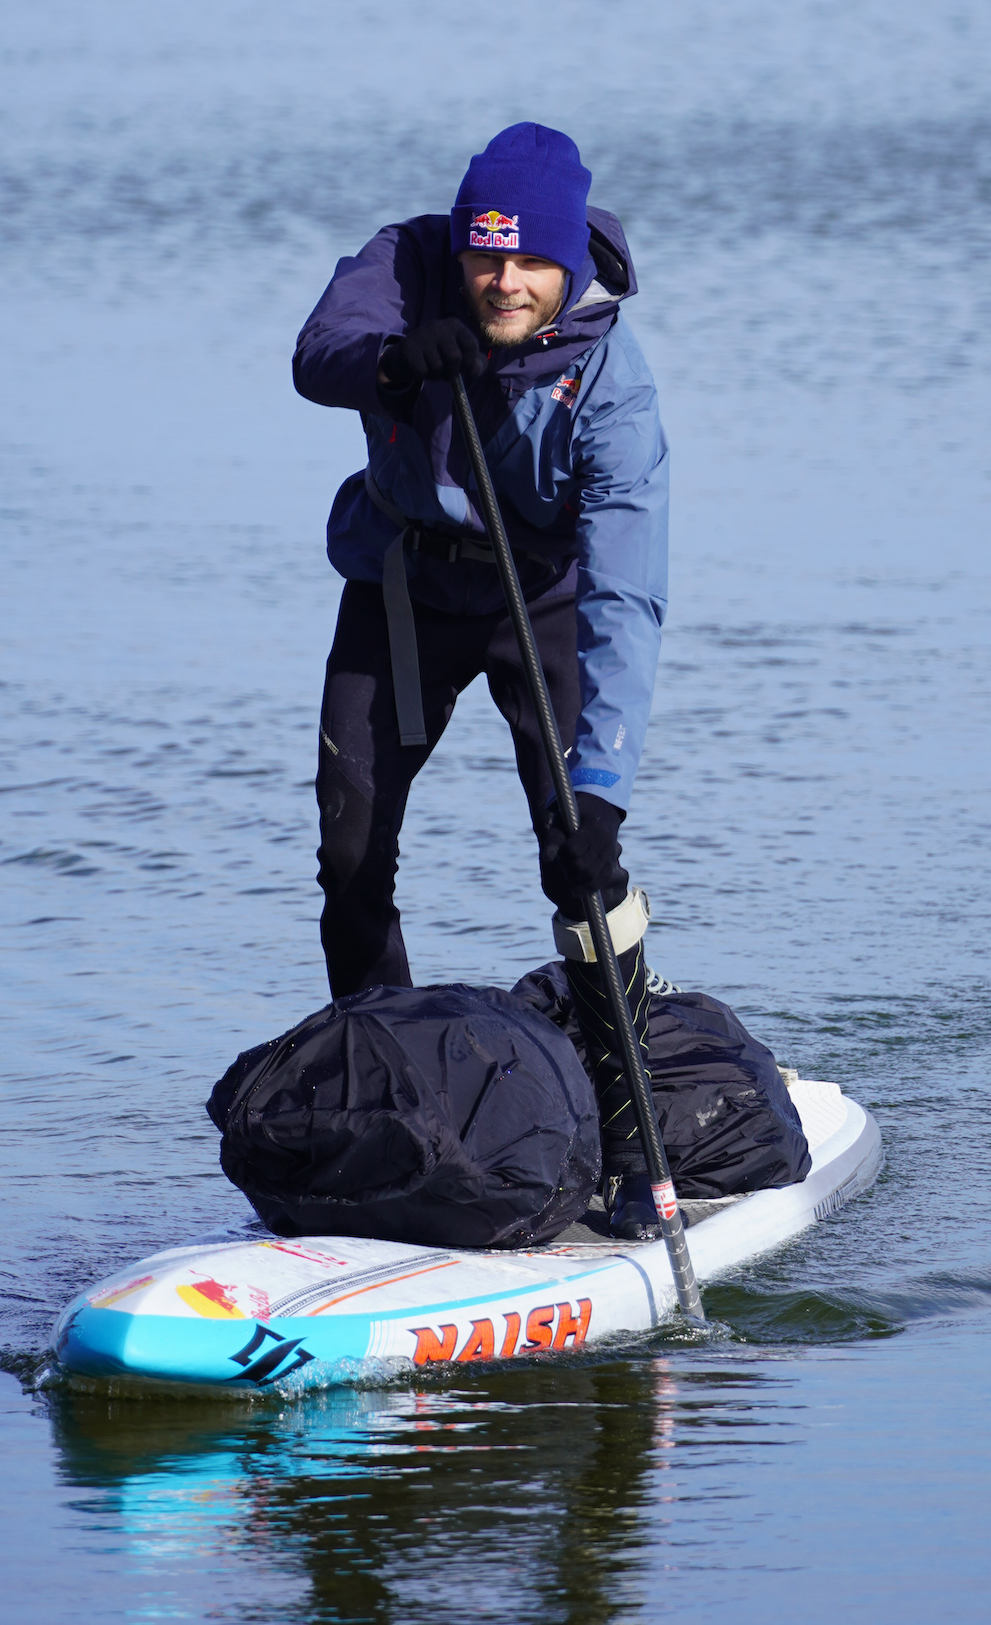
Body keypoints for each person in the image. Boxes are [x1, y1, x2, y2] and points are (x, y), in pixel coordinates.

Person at [292, 121, 669, 1238]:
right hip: (404, 592)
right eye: (485, 256)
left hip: (539, 600)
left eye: (527, 262)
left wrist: (601, 787)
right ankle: (383, 1110)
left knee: (576, 858)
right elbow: (321, 354)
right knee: (350, 850)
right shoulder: (406, 267)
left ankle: (630, 1135)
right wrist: (397, 361)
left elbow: (627, 596)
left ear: (570, 264)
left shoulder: (609, 381)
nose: (502, 282)